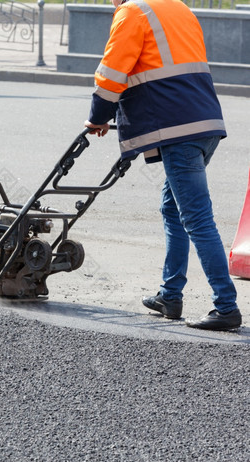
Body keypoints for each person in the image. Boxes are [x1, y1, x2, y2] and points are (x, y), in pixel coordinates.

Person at [84, 0, 242, 331]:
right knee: (172, 208)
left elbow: (113, 72)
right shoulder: (178, 8)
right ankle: (170, 295)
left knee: (197, 218)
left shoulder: (132, 13)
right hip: (205, 122)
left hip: (177, 131)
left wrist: (98, 116)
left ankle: (226, 306)